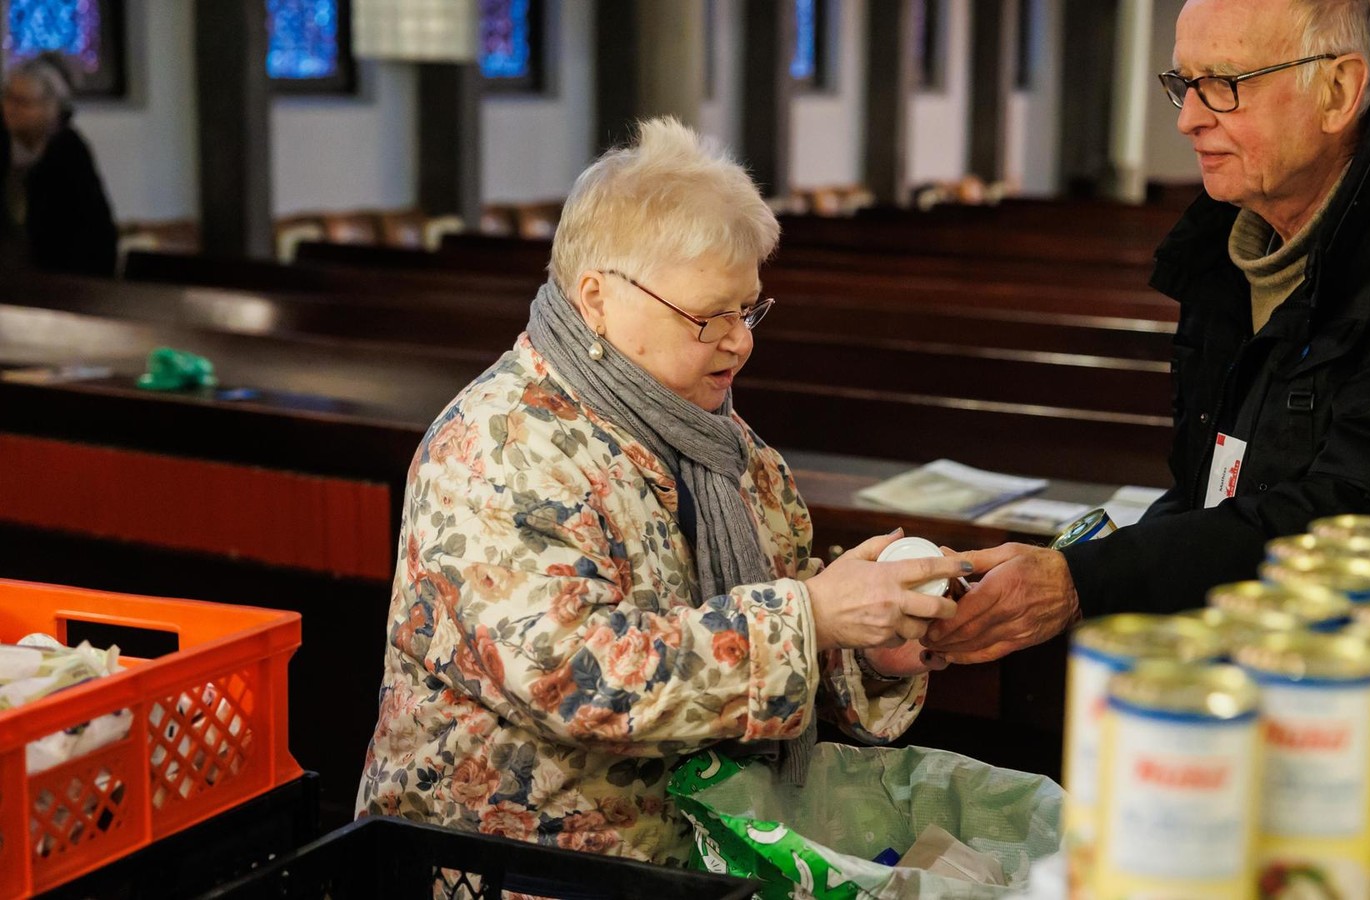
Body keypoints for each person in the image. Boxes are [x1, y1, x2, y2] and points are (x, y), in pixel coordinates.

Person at [355, 118, 966, 864]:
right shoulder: (499, 445)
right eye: (709, 316)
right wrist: (810, 618)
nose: (741, 339)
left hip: (690, 855)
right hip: (516, 863)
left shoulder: (716, 437)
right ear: (596, 299)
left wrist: (875, 646)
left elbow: (776, 609)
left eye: (748, 309)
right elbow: (574, 680)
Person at [925, 0, 1370, 664]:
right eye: (1184, 83)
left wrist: (1086, 581)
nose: (1188, 119)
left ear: (1337, 90)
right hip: (1236, 642)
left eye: (1224, 84)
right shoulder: (1225, 246)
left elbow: (1360, 517)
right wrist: (1080, 566)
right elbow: (1209, 486)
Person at [0, 53, 117, 277]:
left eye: (23, 102)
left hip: (60, 276)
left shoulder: (69, 150)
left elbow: (94, 231)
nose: (10, 109)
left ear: (51, 108)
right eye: (7, 98)